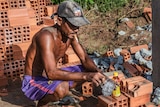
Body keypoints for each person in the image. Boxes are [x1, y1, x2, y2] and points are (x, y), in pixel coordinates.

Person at [21, 0, 107, 106]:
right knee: (62, 88)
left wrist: (99, 73)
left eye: (78, 26)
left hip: (51, 75)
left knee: (88, 69)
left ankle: (57, 90)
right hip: (34, 80)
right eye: (73, 25)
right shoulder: (46, 37)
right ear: (60, 21)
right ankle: (42, 103)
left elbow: (84, 59)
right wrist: (87, 76)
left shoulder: (71, 35)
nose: (76, 29)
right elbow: (51, 73)